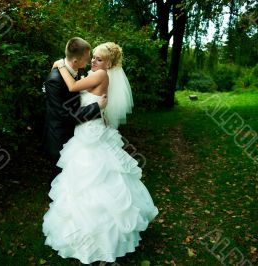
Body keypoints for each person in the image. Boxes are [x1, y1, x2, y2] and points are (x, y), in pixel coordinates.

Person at [42, 42, 158, 265]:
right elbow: (81, 90)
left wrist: (61, 66)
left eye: (99, 59)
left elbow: (74, 87)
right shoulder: (98, 74)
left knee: (94, 176)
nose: (94, 62)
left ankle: (101, 238)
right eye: (93, 57)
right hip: (87, 128)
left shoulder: (101, 74)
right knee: (84, 177)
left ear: (109, 63)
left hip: (90, 133)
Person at [42, 37, 107, 178]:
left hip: (78, 133)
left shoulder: (77, 69)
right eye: (87, 57)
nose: (90, 60)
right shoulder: (55, 80)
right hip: (60, 137)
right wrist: (96, 107)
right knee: (62, 180)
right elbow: (65, 116)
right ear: (76, 61)